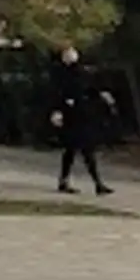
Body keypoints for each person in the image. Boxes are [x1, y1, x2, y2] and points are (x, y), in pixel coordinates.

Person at [50, 44, 114, 196]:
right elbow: (58, 93)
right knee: (78, 150)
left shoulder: (79, 72)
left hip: (81, 116)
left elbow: (89, 88)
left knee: (76, 150)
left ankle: (86, 182)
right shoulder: (62, 74)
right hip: (72, 116)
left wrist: (101, 95)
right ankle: (95, 183)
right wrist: (58, 110)